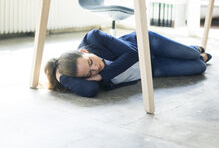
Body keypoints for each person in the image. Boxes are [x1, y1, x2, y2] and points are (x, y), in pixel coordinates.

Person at [44, 29, 212, 98]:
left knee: (191, 54)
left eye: (90, 62)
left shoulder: (93, 38)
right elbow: (90, 90)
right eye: (89, 73)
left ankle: (193, 49)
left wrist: (102, 76)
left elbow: (132, 54)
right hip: (151, 68)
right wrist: (61, 76)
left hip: (148, 45)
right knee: (199, 67)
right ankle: (199, 56)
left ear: (84, 52)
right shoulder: (81, 75)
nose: (95, 68)